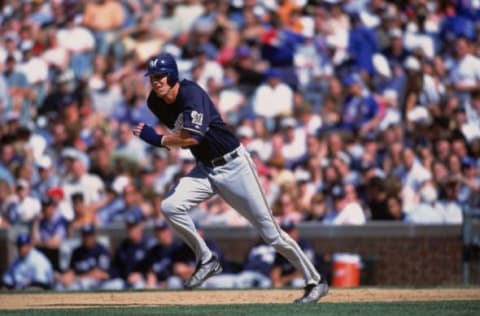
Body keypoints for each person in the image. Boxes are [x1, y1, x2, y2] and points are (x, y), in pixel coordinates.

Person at [132, 53, 327, 303]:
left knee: (272, 234)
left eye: (160, 77)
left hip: (233, 165)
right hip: (205, 168)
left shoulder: (191, 93)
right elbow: (183, 136)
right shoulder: (155, 102)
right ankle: (207, 258)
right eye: (152, 77)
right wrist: (166, 140)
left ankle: (315, 280)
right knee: (170, 206)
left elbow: (192, 137)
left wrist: (159, 140)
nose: (155, 82)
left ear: (172, 76)